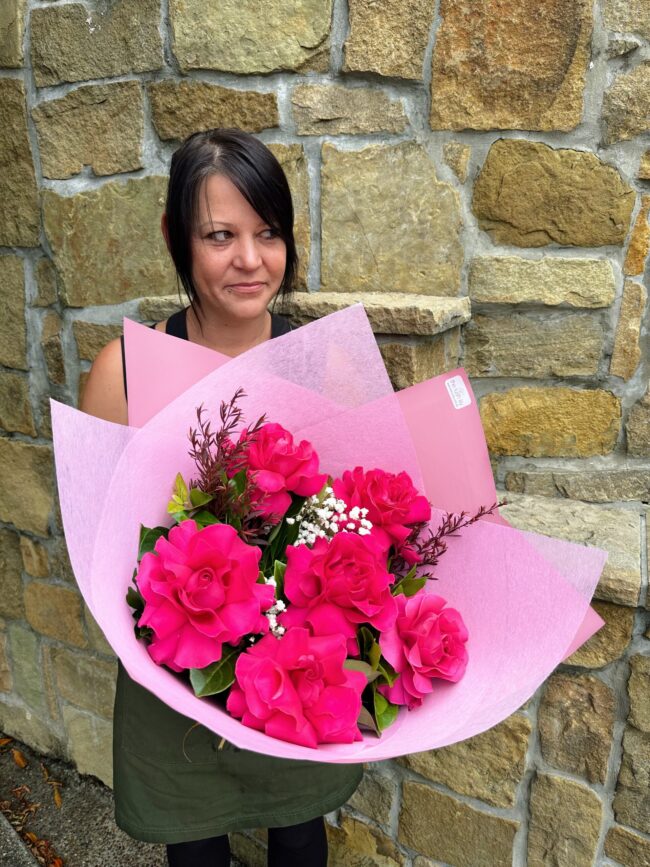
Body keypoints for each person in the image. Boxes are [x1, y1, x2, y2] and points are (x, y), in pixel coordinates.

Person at [81, 128, 363, 867]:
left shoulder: (327, 366)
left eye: (267, 232)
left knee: (300, 835)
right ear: (177, 237)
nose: (250, 259)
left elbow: (356, 534)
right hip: (172, 671)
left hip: (293, 674)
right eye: (220, 235)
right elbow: (100, 547)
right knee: (193, 844)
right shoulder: (124, 374)